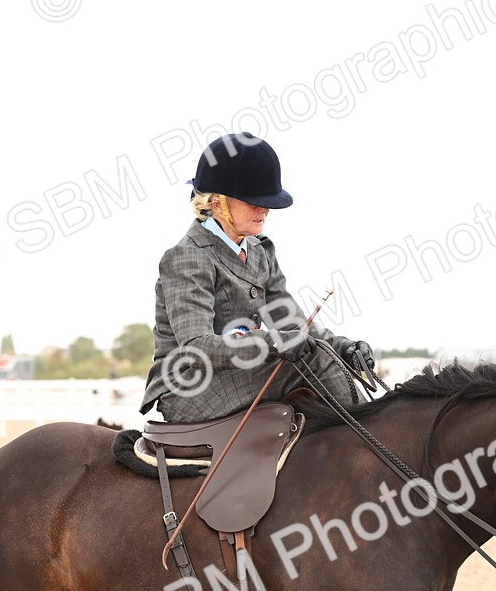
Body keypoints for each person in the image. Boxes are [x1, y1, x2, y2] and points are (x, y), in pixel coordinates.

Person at [140, 132, 374, 423]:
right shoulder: (187, 257)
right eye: (254, 201)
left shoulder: (260, 251)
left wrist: (342, 346)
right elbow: (197, 345)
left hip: (237, 375)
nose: (265, 209)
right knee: (315, 363)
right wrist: (274, 343)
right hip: (189, 386)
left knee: (325, 356)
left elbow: (292, 325)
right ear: (217, 204)